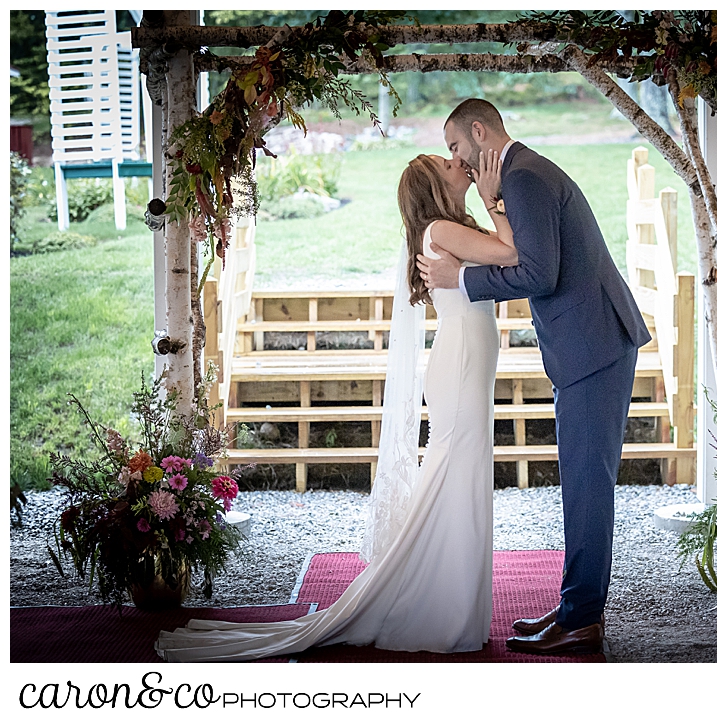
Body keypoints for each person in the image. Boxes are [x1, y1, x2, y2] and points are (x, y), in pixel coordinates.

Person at [155, 151, 517, 661]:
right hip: (459, 370)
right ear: (435, 185)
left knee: (462, 477)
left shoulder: (452, 226)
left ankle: (451, 601)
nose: (459, 161)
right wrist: (495, 194)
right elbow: (511, 253)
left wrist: (485, 204)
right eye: (447, 161)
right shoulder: (441, 228)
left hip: (465, 367)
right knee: (453, 477)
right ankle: (437, 606)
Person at [418, 98, 651, 655]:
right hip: (591, 342)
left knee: (587, 484)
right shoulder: (520, 175)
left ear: (479, 132)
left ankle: (583, 620)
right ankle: (576, 607)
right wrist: (490, 201)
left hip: (593, 346)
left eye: (455, 146)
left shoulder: (522, 179)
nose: (456, 158)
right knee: (580, 481)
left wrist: (464, 280)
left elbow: (538, 274)